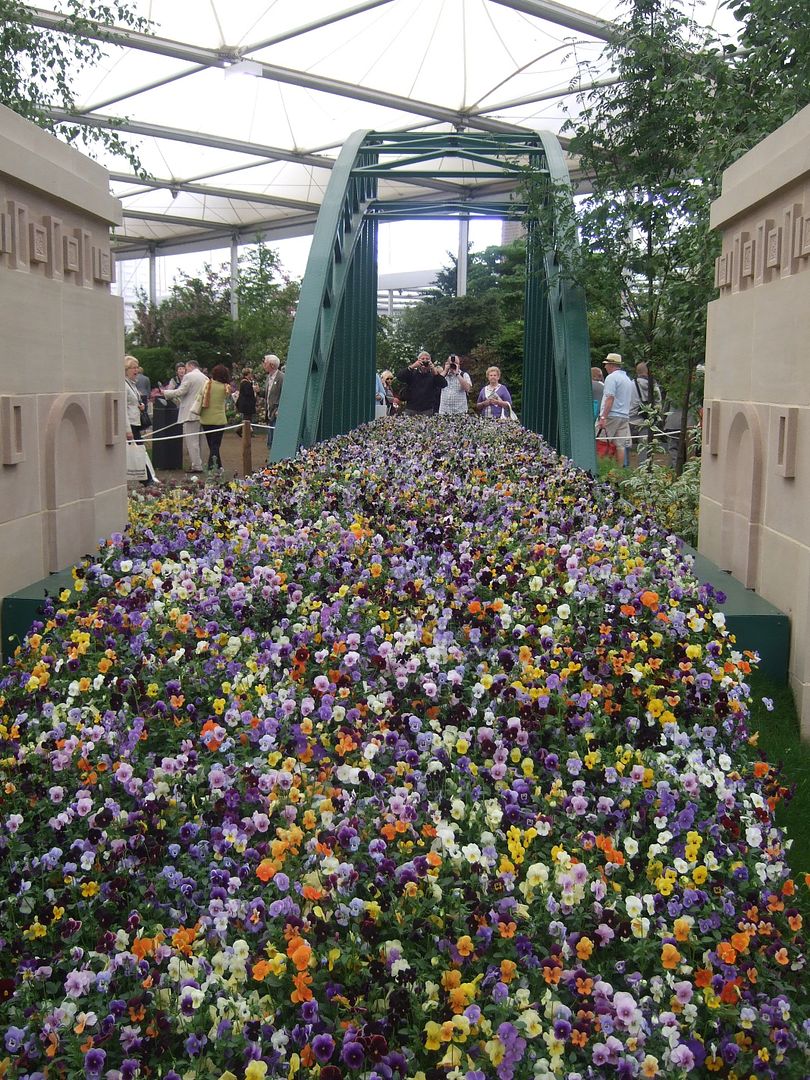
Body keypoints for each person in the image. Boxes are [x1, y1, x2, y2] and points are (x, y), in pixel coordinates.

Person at [163, 358, 208, 472]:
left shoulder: (189, 377)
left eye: (186, 368)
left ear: (191, 366)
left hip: (190, 412)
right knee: (200, 441)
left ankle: (197, 466)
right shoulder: (205, 378)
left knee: (191, 441)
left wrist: (166, 393)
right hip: (201, 412)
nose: (185, 371)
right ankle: (198, 463)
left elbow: (180, 391)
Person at [596, 352, 633, 467]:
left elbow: (610, 398)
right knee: (620, 445)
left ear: (611, 365)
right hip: (624, 415)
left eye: (607, 364)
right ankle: (619, 471)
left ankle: (600, 468)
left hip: (611, 415)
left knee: (600, 441)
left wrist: (603, 417)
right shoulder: (627, 379)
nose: (605, 366)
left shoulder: (611, 378)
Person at [629, 361, 663, 465]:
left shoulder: (631, 384)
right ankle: (643, 468)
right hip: (646, 420)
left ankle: (624, 467)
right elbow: (658, 402)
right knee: (644, 447)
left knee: (623, 444)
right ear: (648, 371)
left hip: (630, 418)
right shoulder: (653, 385)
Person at [200, 363, 231, 473]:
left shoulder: (207, 384)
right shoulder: (225, 387)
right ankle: (213, 466)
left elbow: (200, 396)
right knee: (215, 445)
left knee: (212, 445)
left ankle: (216, 466)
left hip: (206, 419)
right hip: (219, 419)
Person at [395, 351, 447, 415]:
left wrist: (434, 370)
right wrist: (412, 366)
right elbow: (399, 377)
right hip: (411, 408)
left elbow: (443, 384)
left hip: (428, 409)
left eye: (427, 359)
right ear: (418, 361)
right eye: (422, 359)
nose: (425, 361)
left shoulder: (433, 375)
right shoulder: (412, 373)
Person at [263, 353, 284, 456]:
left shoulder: (281, 378)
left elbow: (284, 394)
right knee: (270, 437)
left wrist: (280, 409)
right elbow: (267, 395)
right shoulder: (268, 378)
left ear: (271, 365)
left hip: (276, 412)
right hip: (269, 412)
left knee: (276, 436)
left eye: (265, 363)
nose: (263, 365)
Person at [124, 356, 144, 443]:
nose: (136, 370)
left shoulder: (133, 384)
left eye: (137, 367)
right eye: (133, 368)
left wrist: (141, 406)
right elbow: (123, 409)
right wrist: (128, 430)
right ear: (126, 370)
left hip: (136, 422)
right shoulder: (124, 385)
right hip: (130, 424)